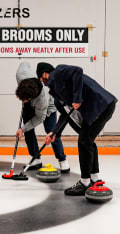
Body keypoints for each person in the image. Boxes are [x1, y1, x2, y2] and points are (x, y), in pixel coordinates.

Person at [43, 63, 117, 196]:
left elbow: (78, 70)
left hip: (101, 104)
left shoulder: (58, 71)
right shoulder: (57, 96)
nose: (43, 84)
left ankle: (84, 182)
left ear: (44, 74)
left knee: (84, 141)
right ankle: (95, 179)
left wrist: (77, 98)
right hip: (102, 107)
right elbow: (65, 116)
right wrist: (54, 133)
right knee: (87, 141)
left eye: (41, 80)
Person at [15, 62, 69, 172]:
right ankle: (36, 158)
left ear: (32, 97)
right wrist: (24, 129)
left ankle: (62, 159)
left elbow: (40, 118)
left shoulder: (42, 100)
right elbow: (24, 64)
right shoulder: (22, 75)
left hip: (48, 108)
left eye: (26, 99)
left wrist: (22, 128)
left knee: (51, 132)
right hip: (29, 101)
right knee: (28, 130)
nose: (24, 101)